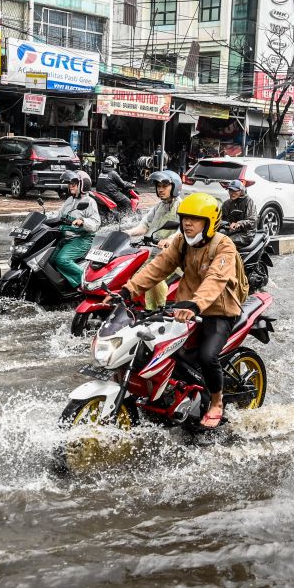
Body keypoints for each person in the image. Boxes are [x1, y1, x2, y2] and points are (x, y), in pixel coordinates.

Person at [124, 193, 243, 430]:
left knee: (207, 356)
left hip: (219, 310)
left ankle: (217, 402)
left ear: (209, 222)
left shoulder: (224, 245)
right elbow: (159, 267)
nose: (188, 223)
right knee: (160, 348)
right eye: (185, 218)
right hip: (186, 308)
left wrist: (196, 304)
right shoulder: (181, 241)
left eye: (195, 219)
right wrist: (128, 290)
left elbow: (216, 279)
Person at [127, 170, 185, 309]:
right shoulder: (158, 206)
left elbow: (182, 229)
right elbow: (144, 226)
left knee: (153, 277)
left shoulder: (181, 206)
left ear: (175, 187)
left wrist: (170, 239)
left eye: (164, 186)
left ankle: (158, 309)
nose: (160, 189)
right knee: (132, 273)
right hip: (153, 252)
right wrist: (125, 233)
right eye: (158, 186)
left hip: (172, 257)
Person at [52, 170, 101, 289]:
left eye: (74, 183)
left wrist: (83, 221)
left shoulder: (89, 202)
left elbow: (95, 223)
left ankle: (88, 283)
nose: (70, 186)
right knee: (49, 259)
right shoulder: (70, 200)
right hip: (66, 238)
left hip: (81, 239)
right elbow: (59, 215)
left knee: (62, 260)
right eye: (69, 183)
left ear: (82, 185)